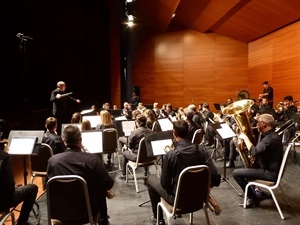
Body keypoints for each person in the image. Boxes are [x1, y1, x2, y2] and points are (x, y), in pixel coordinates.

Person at [146, 120, 221, 225]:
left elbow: (165, 185)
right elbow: (216, 179)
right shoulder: (202, 150)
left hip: (178, 201)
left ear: (174, 133)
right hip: (200, 198)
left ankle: (158, 219)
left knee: (150, 179)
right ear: (189, 132)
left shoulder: (171, 155)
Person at [47, 125, 114, 225]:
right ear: (80, 139)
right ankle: (103, 221)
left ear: (63, 140)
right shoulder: (92, 159)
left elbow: (48, 185)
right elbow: (108, 183)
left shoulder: (52, 161)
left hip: (60, 213)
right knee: (102, 189)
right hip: (87, 213)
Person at [232, 114, 283, 208]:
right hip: (270, 169)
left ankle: (253, 199)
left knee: (236, 173)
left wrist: (245, 138)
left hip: (269, 173)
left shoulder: (270, 139)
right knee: (246, 167)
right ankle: (255, 192)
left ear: (264, 124)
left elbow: (254, 152)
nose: (256, 125)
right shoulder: (272, 135)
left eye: (258, 123)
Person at [0, 150, 38, 225]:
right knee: (33, 188)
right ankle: (22, 223)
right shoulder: (4, 156)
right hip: (3, 201)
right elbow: (9, 188)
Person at [119, 114, 152, 178]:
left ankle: (123, 174)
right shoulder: (151, 131)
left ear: (137, 122)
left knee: (124, 153)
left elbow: (130, 146)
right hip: (150, 157)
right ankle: (146, 172)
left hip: (137, 157)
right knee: (145, 150)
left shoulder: (134, 132)